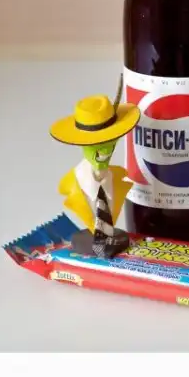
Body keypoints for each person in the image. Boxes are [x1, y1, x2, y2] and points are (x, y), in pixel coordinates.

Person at [50, 75, 140, 258]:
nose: (104, 151)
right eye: (96, 144)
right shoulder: (71, 184)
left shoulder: (119, 178)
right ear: (81, 142)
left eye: (109, 142)